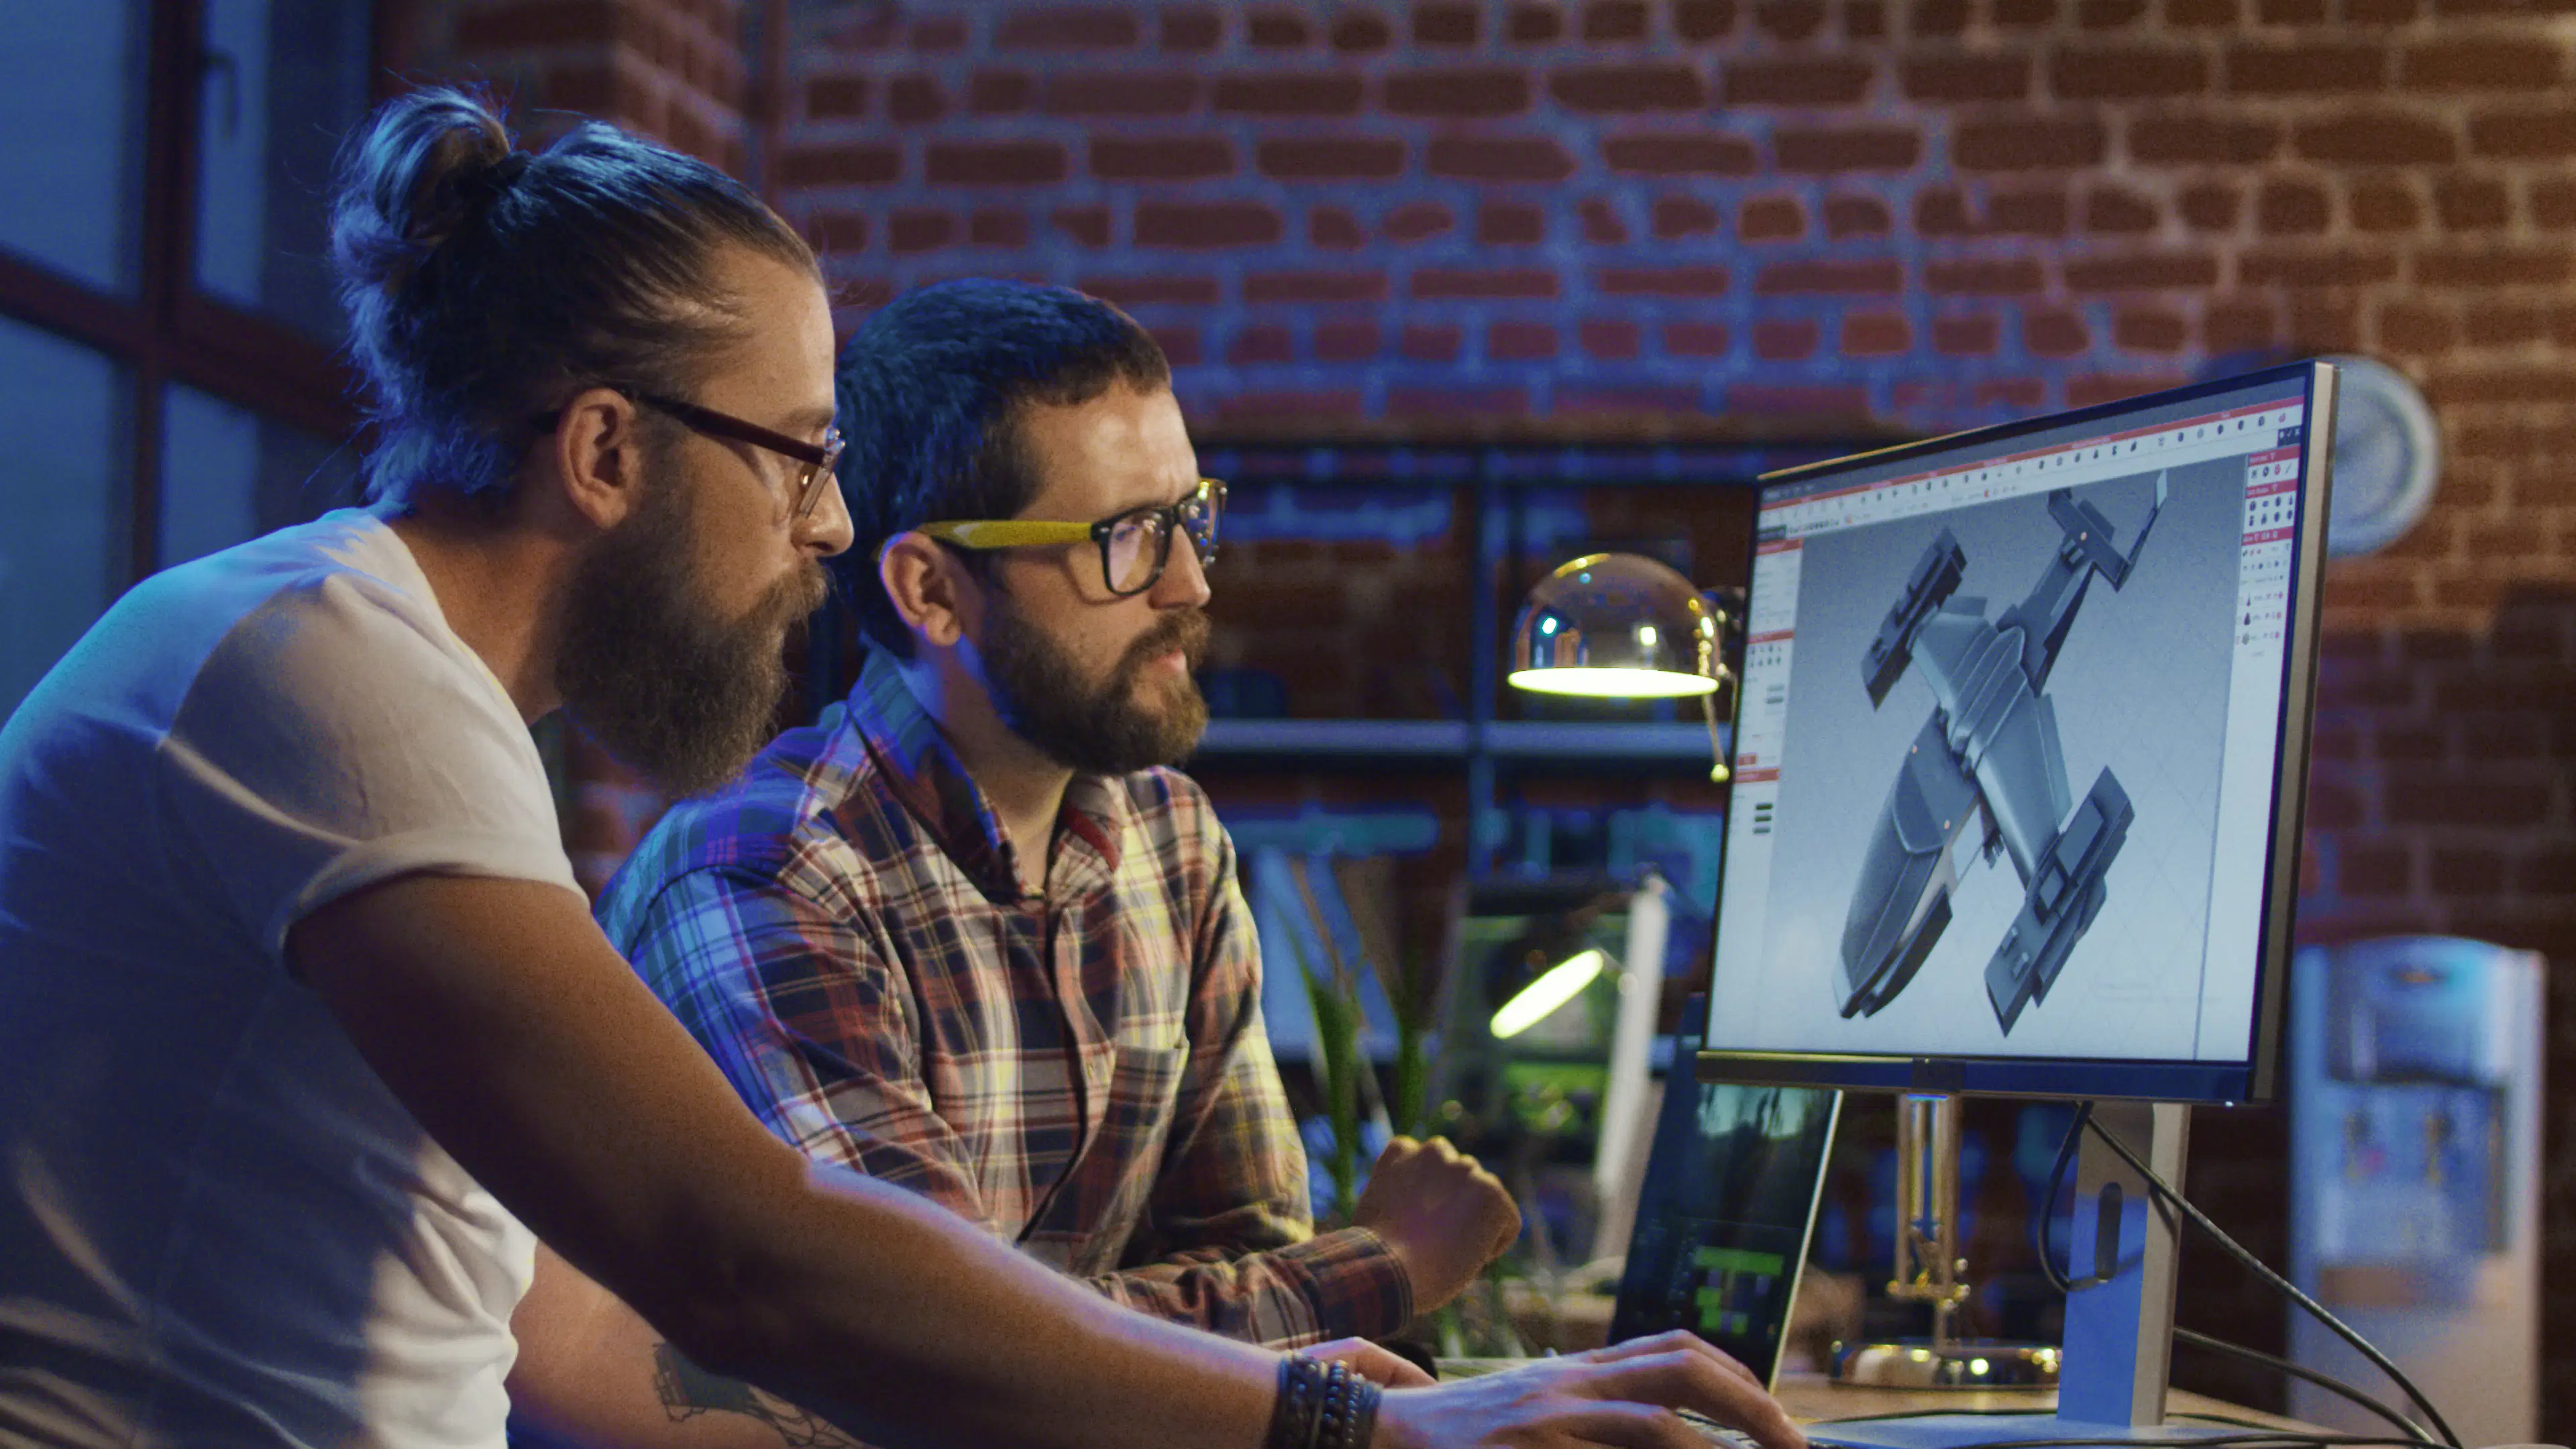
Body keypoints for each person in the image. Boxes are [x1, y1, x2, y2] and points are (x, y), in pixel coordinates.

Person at [0, 85, 1806, 1449]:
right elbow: (749, 1256)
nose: (834, 528)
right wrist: (1353, 1424)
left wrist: (1275, 1398)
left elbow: (586, 1351)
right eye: (798, 457)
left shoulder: (412, 713)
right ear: (607, 453)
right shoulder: (324, 676)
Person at [595, 280, 1516, 1354]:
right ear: (932, 591)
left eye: (1190, 519)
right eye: (1128, 537)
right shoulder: (767, 877)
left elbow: (1248, 1286)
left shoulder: (1172, 845)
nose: (1188, 584)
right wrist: (1385, 1267)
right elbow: (943, 1349)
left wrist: (1282, 1295)